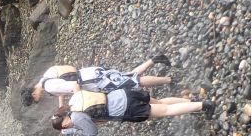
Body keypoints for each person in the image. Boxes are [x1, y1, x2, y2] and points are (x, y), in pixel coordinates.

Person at [50, 86, 214, 136]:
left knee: (166, 111)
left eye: (64, 126)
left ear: (64, 123)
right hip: (123, 93)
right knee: (161, 102)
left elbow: (92, 132)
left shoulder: (77, 118)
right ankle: (191, 103)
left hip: (126, 107)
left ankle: (203, 105)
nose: (66, 126)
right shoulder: (73, 101)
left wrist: (73, 131)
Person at [21, 54, 172, 107]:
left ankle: (168, 80)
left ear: (33, 95)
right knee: (127, 76)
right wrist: (61, 105)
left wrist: (79, 101)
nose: (38, 100)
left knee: (134, 81)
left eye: (35, 100)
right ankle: (154, 60)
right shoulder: (46, 76)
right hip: (89, 72)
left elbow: (74, 86)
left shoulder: (49, 88)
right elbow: (67, 76)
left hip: (94, 81)